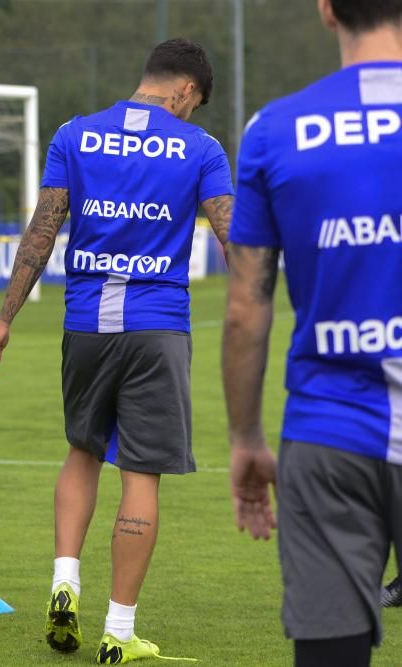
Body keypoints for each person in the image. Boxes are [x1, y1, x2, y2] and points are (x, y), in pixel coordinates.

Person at [0, 39, 233, 664]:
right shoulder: (199, 148)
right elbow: (235, 236)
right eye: (195, 102)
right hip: (157, 328)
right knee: (140, 473)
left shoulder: (75, 134)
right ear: (184, 91)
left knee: (82, 450)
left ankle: (65, 581)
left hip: (86, 325)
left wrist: (4, 319)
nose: (192, 112)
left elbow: (44, 229)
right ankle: (118, 632)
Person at [223, 0, 402, 664]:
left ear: (327, 10)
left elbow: (245, 307)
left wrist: (245, 438)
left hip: (327, 435)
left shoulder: (275, 129)